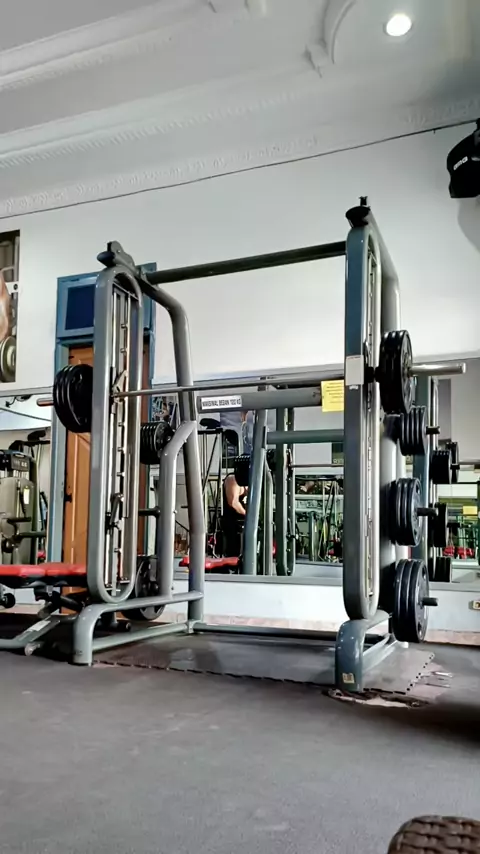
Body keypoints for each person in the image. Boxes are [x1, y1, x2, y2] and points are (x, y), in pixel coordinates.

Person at [221, 469, 248, 557]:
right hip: (233, 523)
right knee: (234, 554)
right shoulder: (233, 479)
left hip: (246, 523)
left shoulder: (250, 481)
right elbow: (233, 502)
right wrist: (248, 515)